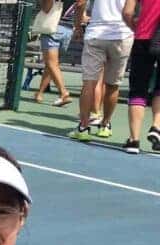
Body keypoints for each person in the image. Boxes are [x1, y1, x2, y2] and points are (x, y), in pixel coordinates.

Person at [68, 0, 134, 141]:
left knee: (89, 83)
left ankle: (83, 127)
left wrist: (78, 27)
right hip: (122, 35)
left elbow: (80, 3)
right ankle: (105, 124)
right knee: (113, 84)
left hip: (96, 34)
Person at [122, 0, 160, 152]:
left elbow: (127, 12)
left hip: (143, 37)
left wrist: (135, 26)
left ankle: (134, 140)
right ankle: (157, 126)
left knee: (138, 88)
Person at [33, 0, 74, 106]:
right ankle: (39, 93)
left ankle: (64, 93)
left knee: (52, 64)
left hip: (53, 27)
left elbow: (46, 8)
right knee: (51, 65)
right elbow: (81, 5)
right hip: (68, 30)